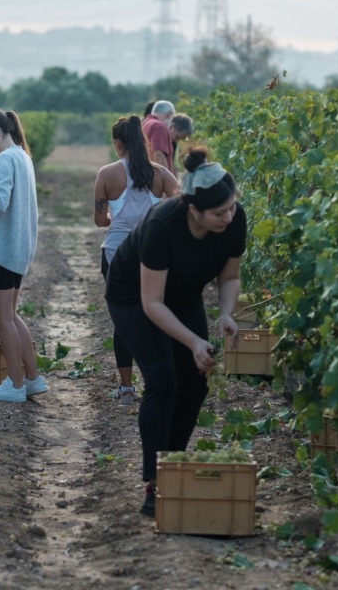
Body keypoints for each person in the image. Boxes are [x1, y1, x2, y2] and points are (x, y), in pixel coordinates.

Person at [104, 146, 246, 517]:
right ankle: (155, 483)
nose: (229, 217)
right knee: (163, 380)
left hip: (181, 295)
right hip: (132, 296)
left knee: (195, 381)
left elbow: (229, 276)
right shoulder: (162, 226)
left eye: (232, 207)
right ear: (193, 210)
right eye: (220, 212)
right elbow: (152, 303)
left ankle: (174, 464)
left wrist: (226, 314)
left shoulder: (234, 219)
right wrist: (194, 340)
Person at [93, 115, 179, 406]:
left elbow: (99, 220)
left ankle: (127, 390)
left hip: (116, 255)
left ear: (118, 144)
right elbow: (181, 208)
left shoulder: (107, 174)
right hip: (152, 256)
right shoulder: (161, 174)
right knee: (156, 315)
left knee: (124, 321)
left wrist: (117, 216)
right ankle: (159, 381)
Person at [0, 108, 47, 402]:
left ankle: (14, 385)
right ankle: (32, 379)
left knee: (3, 318)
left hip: (2, 250)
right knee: (12, 316)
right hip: (19, 249)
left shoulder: (5, 158)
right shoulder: (23, 156)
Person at [142, 100, 175, 171]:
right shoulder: (159, 126)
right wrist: (167, 180)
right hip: (157, 177)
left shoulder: (145, 123)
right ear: (169, 114)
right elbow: (158, 156)